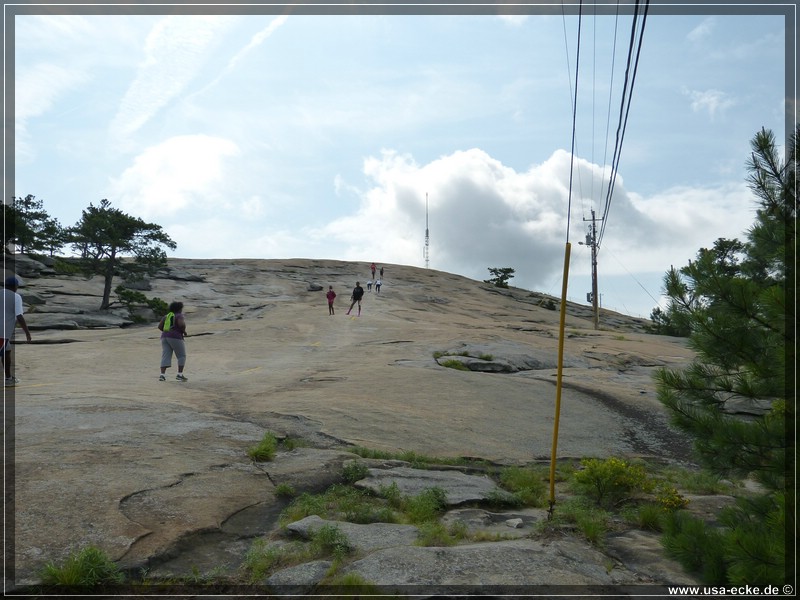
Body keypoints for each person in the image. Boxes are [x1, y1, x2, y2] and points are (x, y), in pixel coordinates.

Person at [2, 277, 32, 386]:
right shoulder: (15, 297)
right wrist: (27, 333)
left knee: (7, 351)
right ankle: (8, 379)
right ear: (15, 287)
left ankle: (8, 378)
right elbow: (19, 316)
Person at [158, 301, 188, 381]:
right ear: (179, 309)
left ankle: (162, 375)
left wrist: (166, 332)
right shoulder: (179, 316)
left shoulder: (167, 316)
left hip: (164, 337)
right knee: (181, 356)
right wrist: (184, 331)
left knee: (165, 355)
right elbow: (181, 324)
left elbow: (160, 326)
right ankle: (179, 374)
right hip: (176, 337)